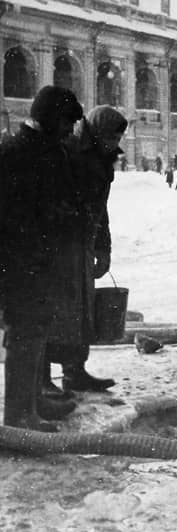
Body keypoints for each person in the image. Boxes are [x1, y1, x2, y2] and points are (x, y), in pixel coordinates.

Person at [0, 86, 86, 430]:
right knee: (24, 333)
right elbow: (13, 214)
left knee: (36, 331)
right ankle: (20, 414)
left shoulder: (43, 149)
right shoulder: (16, 153)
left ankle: (32, 402)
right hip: (20, 263)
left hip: (38, 261)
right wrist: (54, 218)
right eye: (67, 122)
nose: (70, 130)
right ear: (51, 118)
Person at [41, 105, 129, 400]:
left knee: (82, 311)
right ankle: (41, 376)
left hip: (84, 243)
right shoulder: (68, 154)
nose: (115, 144)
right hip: (60, 245)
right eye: (111, 137)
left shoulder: (103, 161)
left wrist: (103, 247)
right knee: (53, 311)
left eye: (118, 139)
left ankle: (75, 371)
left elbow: (101, 210)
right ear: (97, 132)